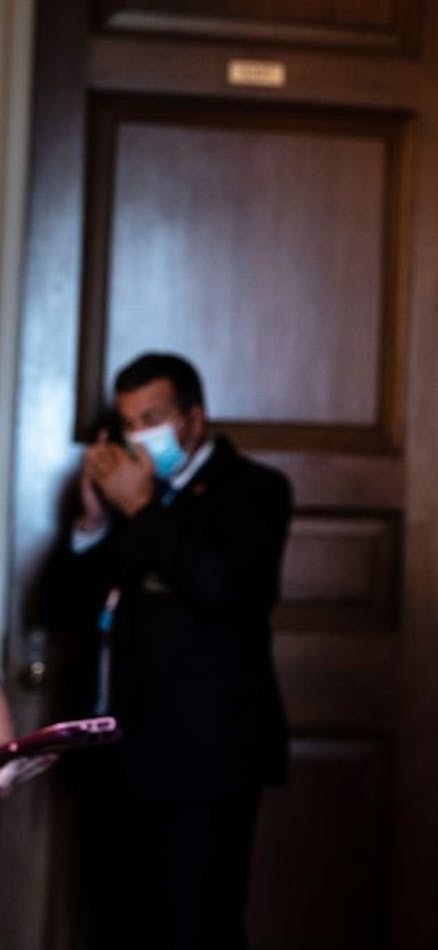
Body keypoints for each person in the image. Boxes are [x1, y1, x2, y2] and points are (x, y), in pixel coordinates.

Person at [65, 352, 291, 949]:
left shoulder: (255, 491)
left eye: (155, 416)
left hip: (208, 763)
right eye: (130, 420)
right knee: (123, 928)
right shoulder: (121, 498)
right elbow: (75, 612)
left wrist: (139, 507)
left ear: (194, 418)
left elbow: (226, 589)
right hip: (122, 761)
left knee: (199, 930)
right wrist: (92, 523)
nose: (141, 433)